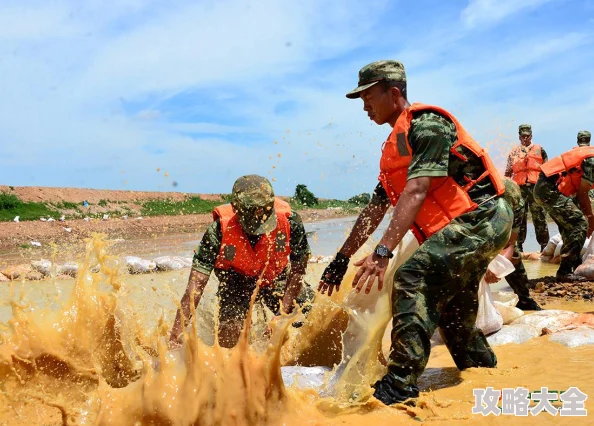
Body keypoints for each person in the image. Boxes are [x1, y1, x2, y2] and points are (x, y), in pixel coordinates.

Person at [317, 60, 512, 405]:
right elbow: (376, 208)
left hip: (481, 218)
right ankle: (487, 375)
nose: (364, 106)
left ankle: (400, 384)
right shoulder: (396, 144)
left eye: (368, 96)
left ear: (394, 94)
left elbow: (418, 189)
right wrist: (341, 259)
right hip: (463, 228)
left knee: (411, 277)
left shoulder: (428, 125)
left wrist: (382, 253)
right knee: (453, 314)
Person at [169, 175, 313, 348]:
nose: (258, 231)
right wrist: (174, 338)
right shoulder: (217, 232)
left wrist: (283, 312)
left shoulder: (291, 222)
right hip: (236, 282)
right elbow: (194, 289)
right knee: (228, 337)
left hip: (276, 276)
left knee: (314, 314)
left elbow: (298, 270)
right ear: (235, 209)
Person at [534, 147, 594, 282]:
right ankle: (565, 271)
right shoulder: (592, 161)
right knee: (579, 223)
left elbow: (579, 194)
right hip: (549, 189)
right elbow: (583, 194)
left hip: (548, 189)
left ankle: (575, 266)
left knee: (571, 227)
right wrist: (590, 219)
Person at [484, 178, 542, 311]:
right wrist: (483, 264)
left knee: (514, 256)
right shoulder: (477, 200)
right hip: (468, 227)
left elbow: (509, 243)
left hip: (500, 218)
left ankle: (524, 300)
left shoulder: (517, 204)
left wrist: (498, 268)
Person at [504, 124, 549, 252]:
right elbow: (507, 173)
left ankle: (544, 247)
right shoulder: (514, 152)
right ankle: (518, 248)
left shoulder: (540, 149)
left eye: (527, 136)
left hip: (536, 188)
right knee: (519, 218)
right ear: (519, 137)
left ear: (531, 136)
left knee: (539, 217)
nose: (525, 138)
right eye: (523, 136)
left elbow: (547, 170)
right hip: (519, 190)